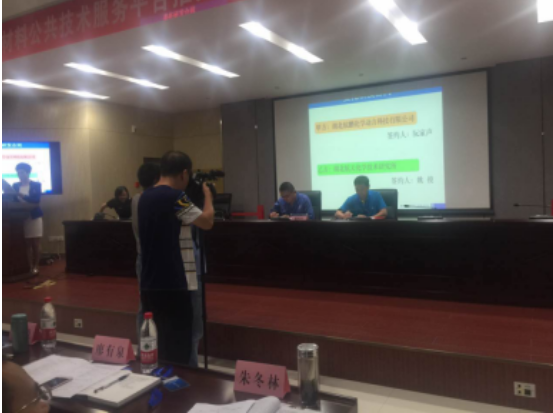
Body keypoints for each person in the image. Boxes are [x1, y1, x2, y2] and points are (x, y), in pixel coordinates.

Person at [138, 151, 214, 365]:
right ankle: (178, 385)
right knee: (178, 346)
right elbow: (207, 222)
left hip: (149, 282)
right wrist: (208, 196)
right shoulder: (176, 197)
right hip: (173, 282)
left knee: (158, 342)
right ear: (183, 173)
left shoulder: (144, 197)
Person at [131, 163, 161, 348]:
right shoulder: (150, 200)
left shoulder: (136, 199)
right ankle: (152, 347)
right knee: (152, 305)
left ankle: (144, 348)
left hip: (142, 257)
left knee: (144, 304)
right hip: (152, 259)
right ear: (157, 179)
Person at [13, 163, 44, 276]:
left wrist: (23, 196)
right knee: (27, 244)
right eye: (18, 173)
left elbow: (36, 200)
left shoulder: (36, 184)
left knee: (36, 243)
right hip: (21, 218)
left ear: (28, 173)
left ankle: (36, 266)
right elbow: (13, 200)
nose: (19, 175)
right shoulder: (15, 185)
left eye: (22, 172)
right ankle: (29, 266)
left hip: (34, 216)